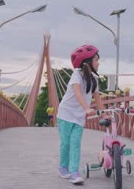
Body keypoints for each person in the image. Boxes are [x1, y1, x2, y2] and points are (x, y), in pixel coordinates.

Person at [57, 45, 106, 184]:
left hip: (78, 118)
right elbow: (78, 93)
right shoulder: (76, 75)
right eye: (96, 60)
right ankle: (63, 168)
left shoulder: (95, 81)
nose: (98, 63)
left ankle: (74, 172)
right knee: (66, 143)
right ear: (87, 63)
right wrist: (86, 108)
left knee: (75, 144)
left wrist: (104, 115)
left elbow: (98, 100)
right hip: (65, 114)